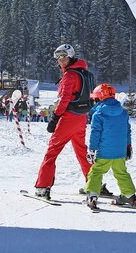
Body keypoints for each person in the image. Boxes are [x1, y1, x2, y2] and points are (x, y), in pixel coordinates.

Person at [34, 44, 95, 200]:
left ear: (71, 56)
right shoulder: (83, 72)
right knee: (81, 150)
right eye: (58, 57)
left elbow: (64, 99)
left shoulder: (70, 75)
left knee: (52, 151)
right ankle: (94, 184)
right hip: (81, 117)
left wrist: (55, 118)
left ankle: (43, 186)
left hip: (69, 117)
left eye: (63, 56)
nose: (60, 60)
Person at [83, 83, 136, 210]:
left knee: (96, 172)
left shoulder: (98, 114)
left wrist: (91, 150)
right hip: (120, 152)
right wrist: (128, 147)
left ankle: (92, 197)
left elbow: (95, 133)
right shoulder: (123, 112)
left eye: (95, 98)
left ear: (100, 98)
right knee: (121, 173)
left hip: (104, 152)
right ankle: (129, 196)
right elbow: (127, 131)